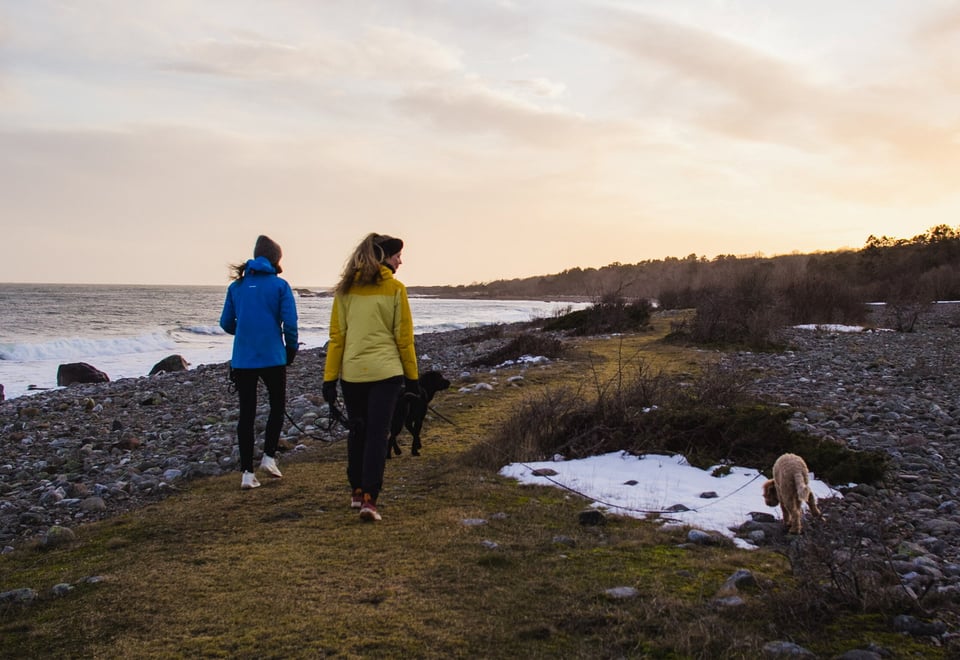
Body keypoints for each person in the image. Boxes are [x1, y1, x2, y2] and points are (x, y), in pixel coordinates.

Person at [322, 233, 418, 521]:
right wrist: (413, 379)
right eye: (396, 255)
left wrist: (329, 379)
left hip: (352, 373)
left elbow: (336, 338)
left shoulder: (345, 291)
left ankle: (357, 490)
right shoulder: (396, 289)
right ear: (382, 257)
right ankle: (370, 500)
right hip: (386, 373)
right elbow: (404, 339)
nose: (400, 260)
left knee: (358, 430)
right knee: (378, 434)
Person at [220, 235, 299, 490]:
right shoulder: (280, 286)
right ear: (276, 260)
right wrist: (291, 348)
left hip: (243, 358)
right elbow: (291, 322)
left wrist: (245, 331)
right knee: (277, 407)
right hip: (273, 356)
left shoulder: (237, 287)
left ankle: (246, 472)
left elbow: (225, 323)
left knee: (247, 412)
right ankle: (268, 457)